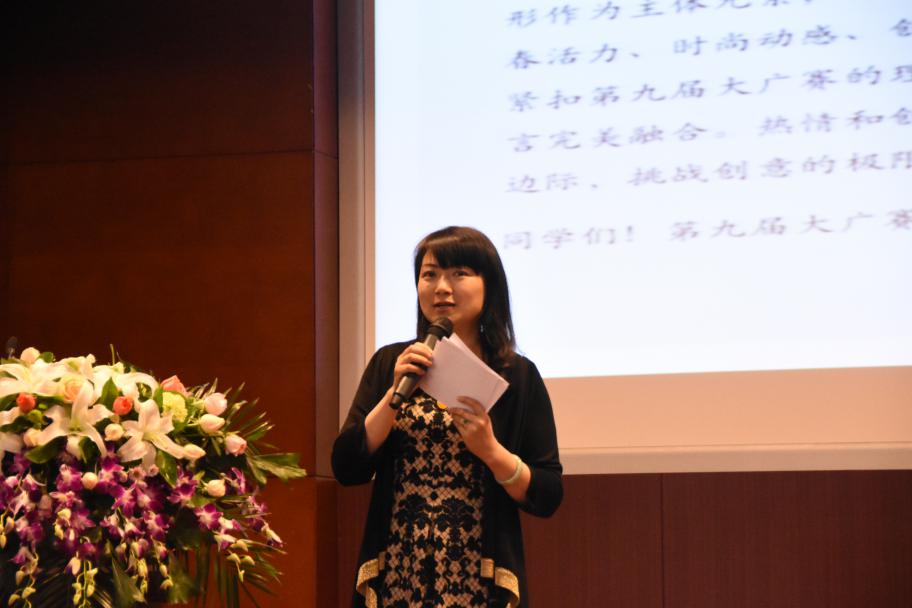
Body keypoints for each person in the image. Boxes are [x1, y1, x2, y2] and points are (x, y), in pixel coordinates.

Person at [332, 226, 562, 608]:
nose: (441, 287)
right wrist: (393, 395)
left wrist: (491, 451)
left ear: (489, 285)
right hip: (398, 571)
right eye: (430, 274)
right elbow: (346, 467)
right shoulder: (391, 363)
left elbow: (548, 493)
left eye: (459, 273)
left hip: (479, 577)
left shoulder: (517, 375)